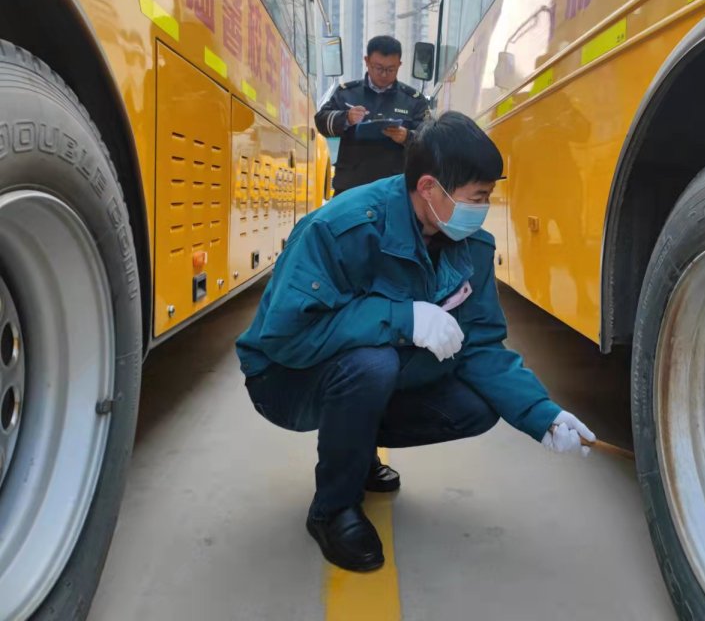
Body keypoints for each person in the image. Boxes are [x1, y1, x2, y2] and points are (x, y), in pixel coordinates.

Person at [236, 112, 596, 572]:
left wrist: (542, 415)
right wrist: (401, 317)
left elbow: (481, 345)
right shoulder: (340, 229)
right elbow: (287, 337)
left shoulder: (470, 248)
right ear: (429, 188)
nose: (483, 209)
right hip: (284, 377)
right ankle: (333, 509)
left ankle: (357, 449)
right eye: (478, 197)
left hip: (353, 373)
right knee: (373, 364)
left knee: (478, 404)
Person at [315, 35, 430, 195]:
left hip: (395, 190)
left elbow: (430, 140)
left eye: (391, 69)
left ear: (399, 65)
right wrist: (346, 118)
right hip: (351, 188)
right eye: (378, 68)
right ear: (367, 61)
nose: (384, 74)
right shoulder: (347, 93)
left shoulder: (413, 100)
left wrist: (407, 137)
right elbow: (321, 122)